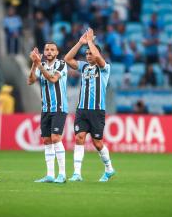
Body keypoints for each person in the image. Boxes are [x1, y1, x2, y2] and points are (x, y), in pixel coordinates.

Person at [64, 28, 115, 182]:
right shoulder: (84, 66)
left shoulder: (105, 68)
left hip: (97, 111)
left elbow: (99, 57)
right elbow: (67, 59)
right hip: (82, 110)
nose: (87, 56)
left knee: (97, 143)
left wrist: (91, 41)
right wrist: (81, 42)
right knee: (79, 138)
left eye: (90, 53)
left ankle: (109, 169)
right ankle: (77, 173)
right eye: (86, 54)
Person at [27, 43, 68, 183]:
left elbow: (52, 79)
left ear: (57, 52)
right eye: (47, 50)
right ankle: (50, 174)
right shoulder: (41, 64)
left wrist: (39, 64)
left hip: (59, 107)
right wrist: (34, 63)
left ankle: (62, 174)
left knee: (56, 138)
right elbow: (30, 81)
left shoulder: (61, 64)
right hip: (45, 108)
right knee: (46, 140)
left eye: (52, 50)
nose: (49, 52)